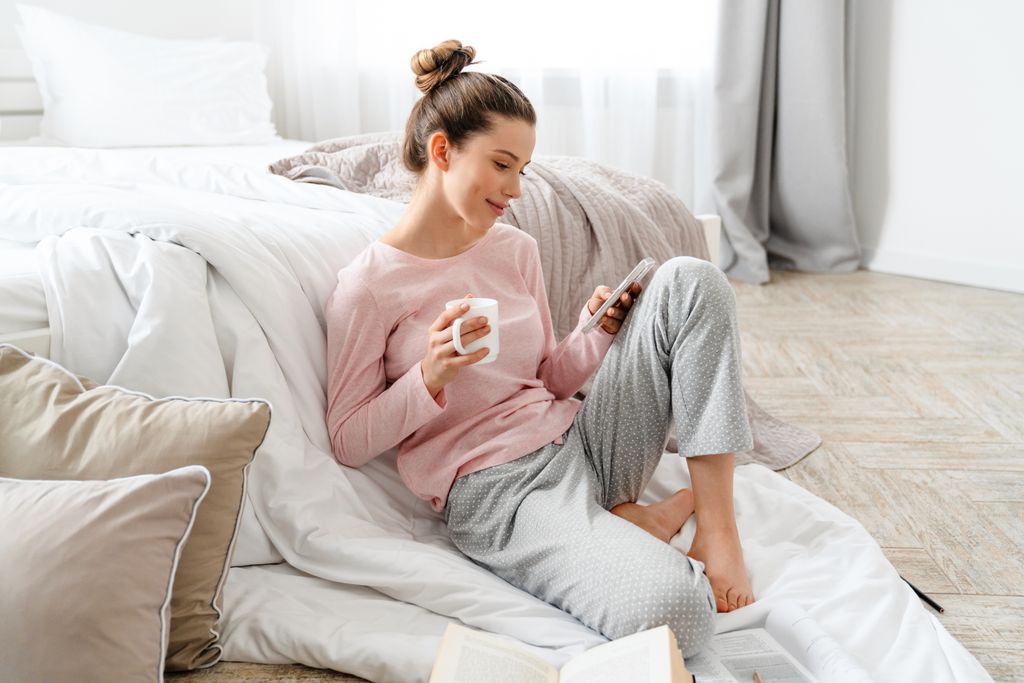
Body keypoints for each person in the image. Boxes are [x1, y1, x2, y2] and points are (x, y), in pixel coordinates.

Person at [324, 40, 755, 657]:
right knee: (677, 614)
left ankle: (717, 530)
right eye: (502, 165)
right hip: (502, 492)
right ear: (443, 150)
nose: (516, 189)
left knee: (692, 279)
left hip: (583, 439)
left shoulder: (514, 249)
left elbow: (549, 380)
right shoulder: (369, 286)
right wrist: (430, 375)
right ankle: (627, 525)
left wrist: (596, 333)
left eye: (522, 169)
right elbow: (347, 437)